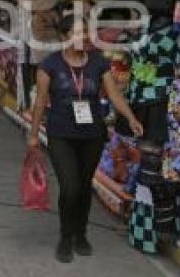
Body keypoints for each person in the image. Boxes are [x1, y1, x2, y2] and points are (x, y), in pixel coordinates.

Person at [28, 15, 144, 263]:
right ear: (64, 37)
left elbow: (114, 95)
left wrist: (131, 117)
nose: (84, 38)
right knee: (69, 187)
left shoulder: (98, 63)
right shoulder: (49, 65)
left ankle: (80, 233)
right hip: (61, 134)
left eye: (85, 33)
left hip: (92, 135)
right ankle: (65, 236)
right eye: (78, 33)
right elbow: (40, 101)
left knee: (82, 188)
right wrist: (34, 134)